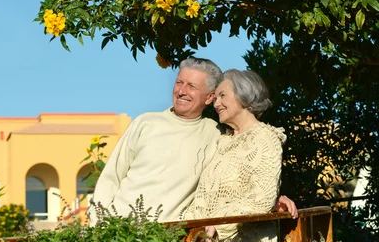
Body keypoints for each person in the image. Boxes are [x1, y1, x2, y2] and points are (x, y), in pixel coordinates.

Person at [89, 58, 297, 225]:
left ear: (209, 98)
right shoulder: (145, 123)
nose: (181, 90)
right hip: (117, 231)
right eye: (179, 82)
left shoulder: (218, 135)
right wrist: (98, 225)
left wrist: (274, 200)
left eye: (191, 86)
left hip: (165, 241)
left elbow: (234, 175)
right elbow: (111, 177)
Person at [182, 69, 286, 242]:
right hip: (204, 240)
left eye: (222, 95)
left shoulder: (266, 138)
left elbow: (261, 197)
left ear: (244, 96)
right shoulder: (221, 141)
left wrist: (219, 225)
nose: (215, 103)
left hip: (246, 239)